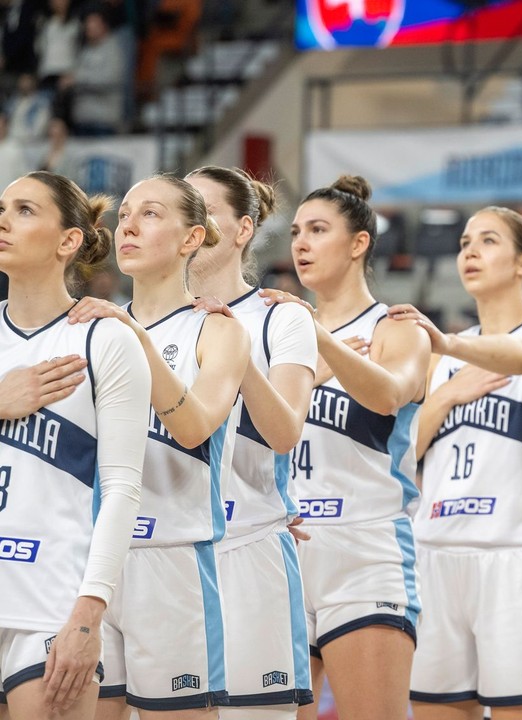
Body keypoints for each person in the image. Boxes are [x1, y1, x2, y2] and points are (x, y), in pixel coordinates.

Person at [389, 206, 522, 719]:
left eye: (488, 241)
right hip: (434, 555)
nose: (470, 251)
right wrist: (445, 395)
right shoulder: (441, 362)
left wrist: (455, 343)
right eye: (463, 243)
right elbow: (405, 454)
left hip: (515, 555)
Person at [68, 174, 250, 719]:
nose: (128, 224)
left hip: (174, 560)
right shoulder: (89, 329)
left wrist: (136, 339)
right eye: (125, 213)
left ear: (192, 238)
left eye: (149, 214)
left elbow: (194, 428)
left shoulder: (217, 329)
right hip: (92, 561)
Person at [270, 175, 431, 720]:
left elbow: (387, 395)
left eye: (318, 230)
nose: (301, 244)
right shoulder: (278, 334)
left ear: (359, 243)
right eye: (296, 232)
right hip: (283, 548)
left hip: (364, 548)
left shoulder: (396, 328)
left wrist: (318, 338)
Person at [0, 171, 150, 720]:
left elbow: (122, 490)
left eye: (23, 210)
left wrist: (89, 614)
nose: (2, 219)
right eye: (1, 207)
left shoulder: (102, 337)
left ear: (68, 241)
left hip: (51, 602)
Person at [185, 166, 318, 718]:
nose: (192, 225)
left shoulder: (280, 317)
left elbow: (285, 431)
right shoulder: (129, 322)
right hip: (152, 548)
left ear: (243, 229)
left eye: (205, 210)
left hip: (247, 543)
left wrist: (233, 349)